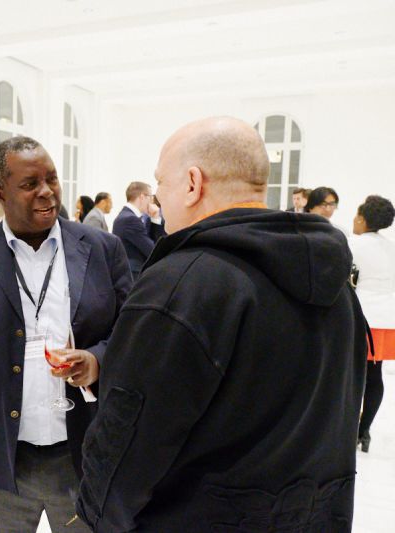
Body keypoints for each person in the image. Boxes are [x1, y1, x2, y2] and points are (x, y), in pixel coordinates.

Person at [76, 117, 367, 532]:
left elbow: (127, 441)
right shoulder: (335, 284)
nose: (158, 199)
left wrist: (95, 514)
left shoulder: (182, 283)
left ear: (193, 183)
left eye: (161, 183)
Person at [0, 136, 132, 533]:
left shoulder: (103, 249)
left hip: (85, 456)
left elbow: (131, 333)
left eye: (52, 179)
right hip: (1, 459)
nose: (47, 191)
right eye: (30, 184)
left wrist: (96, 361)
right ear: (0, 191)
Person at [349, 195, 395, 453]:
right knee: (375, 375)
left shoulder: (354, 243)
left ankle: (348, 427)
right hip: (387, 318)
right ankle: (364, 431)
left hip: (361, 315)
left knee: (352, 374)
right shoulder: (391, 247)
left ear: (363, 219)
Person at [112, 181, 166, 279]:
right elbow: (152, 250)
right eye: (150, 197)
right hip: (134, 275)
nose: (152, 202)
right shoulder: (130, 219)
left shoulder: (126, 216)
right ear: (142, 197)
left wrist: (155, 218)